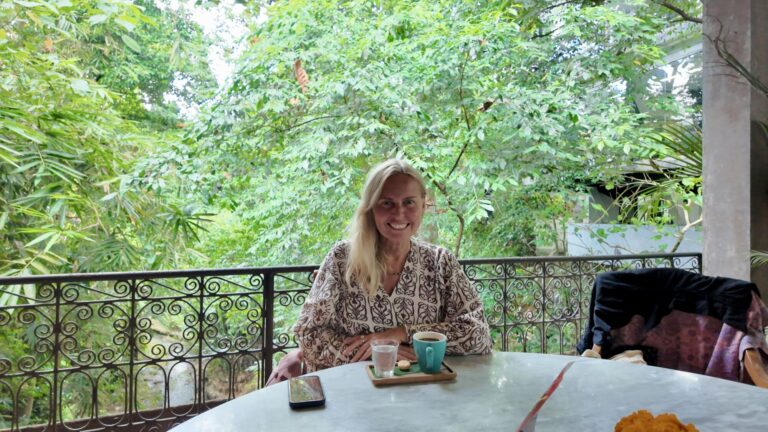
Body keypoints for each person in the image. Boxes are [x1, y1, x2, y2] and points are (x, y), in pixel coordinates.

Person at [286, 158, 492, 374]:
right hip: (353, 388)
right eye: (387, 203)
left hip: (423, 390)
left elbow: (478, 334)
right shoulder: (342, 259)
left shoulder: (440, 262)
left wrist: (403, 333)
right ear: (371, 208)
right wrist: (382, 353)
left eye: (409, 202)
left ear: (423, 205)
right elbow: (309, 336)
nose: (399, 213)